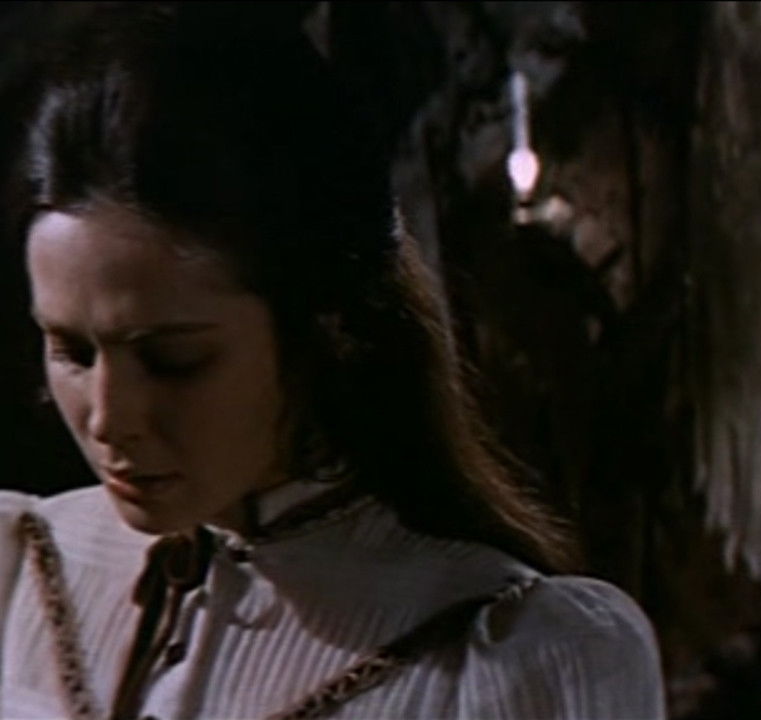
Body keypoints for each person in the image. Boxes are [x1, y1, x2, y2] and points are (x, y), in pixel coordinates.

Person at [0, 5, 664, 719]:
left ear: (325, 327)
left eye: (174, 360)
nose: (111, 418)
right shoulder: (16, 571)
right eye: (72, 351)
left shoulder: (504, 655)